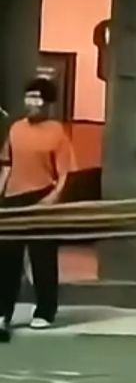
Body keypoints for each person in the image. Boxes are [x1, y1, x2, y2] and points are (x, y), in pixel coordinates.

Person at [0, 77, 72, 343]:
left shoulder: (57, 132)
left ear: (48, 103)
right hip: (13, 198)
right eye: (29, 96)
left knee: (43, 257)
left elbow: (64, 173)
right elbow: (6, 165)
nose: (32, 102)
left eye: (37, 98)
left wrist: (53, 199)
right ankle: (3, 312)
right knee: (7, 259)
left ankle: (45, 310)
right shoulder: (16, 129)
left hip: (42, 196)